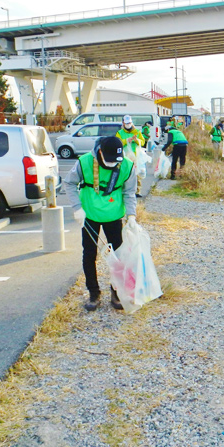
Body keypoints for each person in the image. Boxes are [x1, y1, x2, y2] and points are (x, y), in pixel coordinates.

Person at [63, 136, 138, 312]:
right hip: (89, 215)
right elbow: (69, 183)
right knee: (89, 254)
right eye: (109, 160)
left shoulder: (127, 165)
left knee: (118, 256)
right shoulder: (85, 162)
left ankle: (116, 292)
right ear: (100, 152)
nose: (112, 164)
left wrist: (131, 215)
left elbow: (129, 192)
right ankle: (94, 293)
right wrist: (77, 208)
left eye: (115, 161)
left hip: (114, 216)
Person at [116, 115, 145, 197]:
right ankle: (124, 190)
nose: (128, 125)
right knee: (125, 174)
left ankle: (137, 191)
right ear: (123, 123)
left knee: (137, 174)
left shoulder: (137, 132)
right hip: (125, 156)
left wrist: (136, 140)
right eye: (126, 123)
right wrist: (126, 141)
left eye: (129, 123)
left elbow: (142, 142)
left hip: (136, 156)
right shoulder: (120, 133)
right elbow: (118, 143)